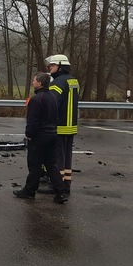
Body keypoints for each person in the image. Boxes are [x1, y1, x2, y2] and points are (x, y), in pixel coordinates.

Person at [13, 72, 68, 203]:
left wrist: (29, 135)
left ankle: (29, 191)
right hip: (52, 135)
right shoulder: (53, 97)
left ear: (40, 83)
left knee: (34, 164)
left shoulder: (37, 99)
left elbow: (33, 121)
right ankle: (61, 192)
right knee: (51, 164)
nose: (33, 82)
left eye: (34, 80)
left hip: (39, 136)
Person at [45, 54, 79, 194]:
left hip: (59, 125)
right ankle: (66, 184)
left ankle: (57, 185)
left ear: (60, 66)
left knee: (57, 157)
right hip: (71, 125)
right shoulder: (73, 81)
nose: (50, 68)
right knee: (67, 156)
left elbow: (52, 104)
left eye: (52, 66)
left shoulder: (57, 83)